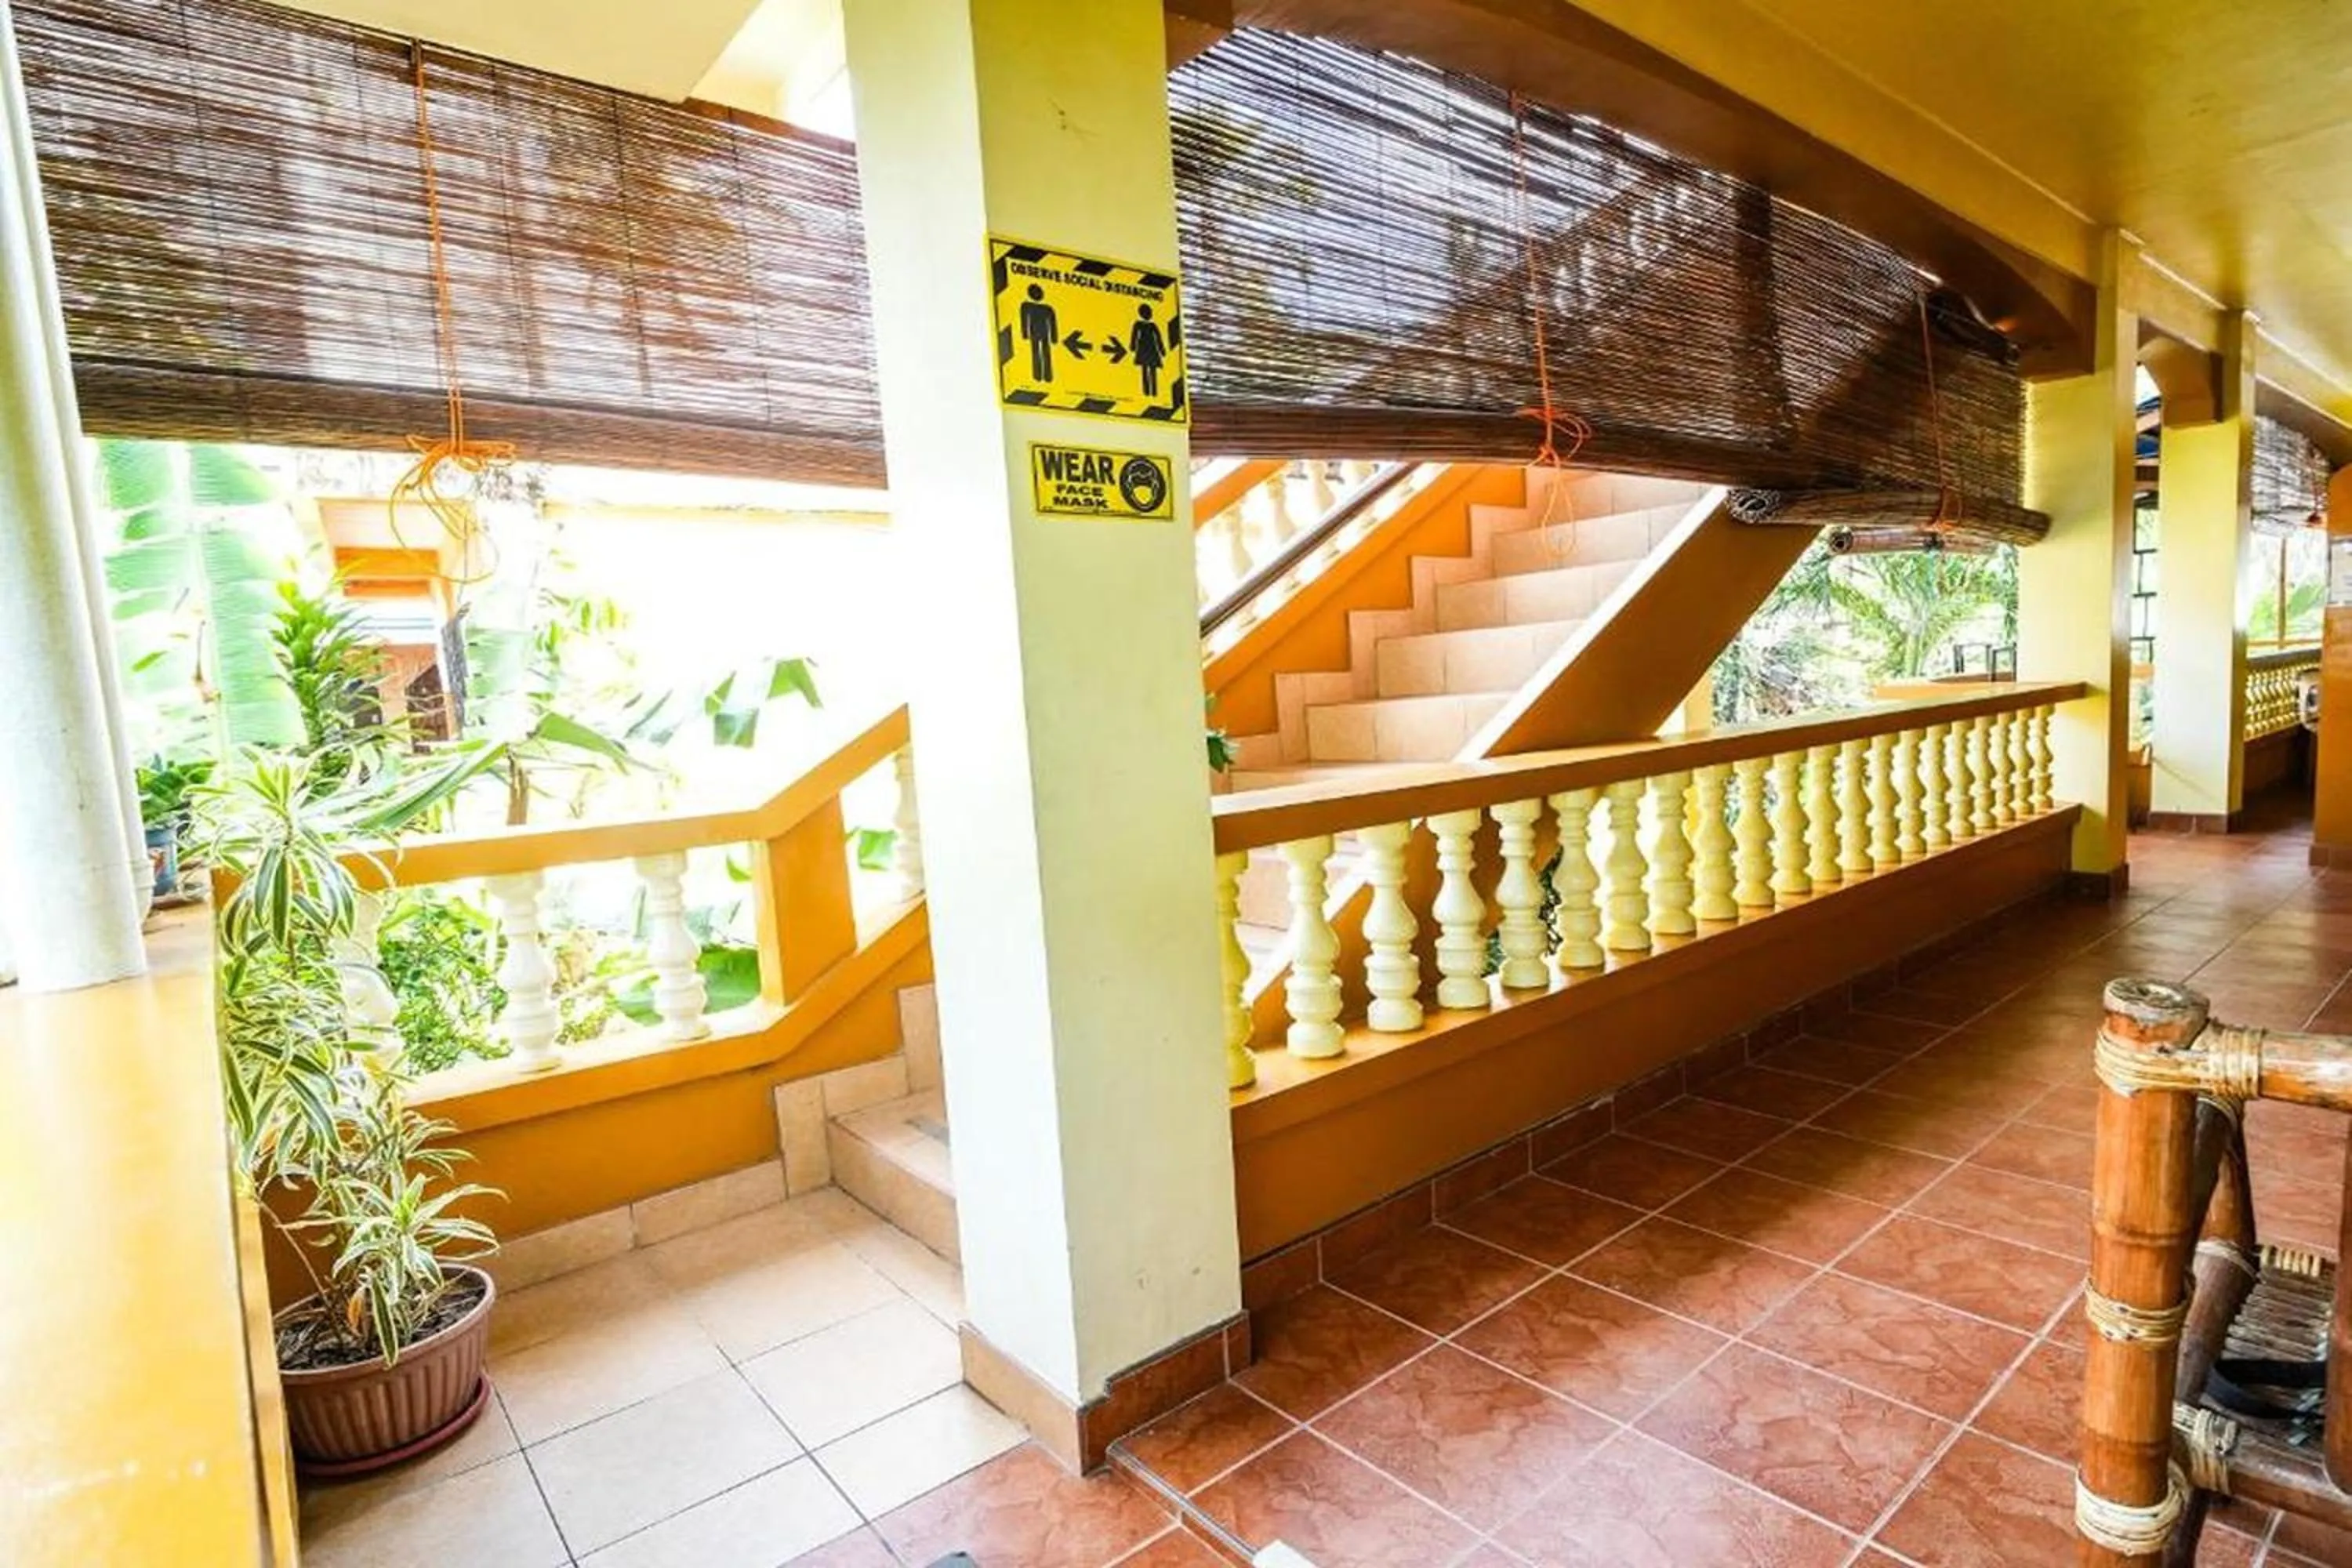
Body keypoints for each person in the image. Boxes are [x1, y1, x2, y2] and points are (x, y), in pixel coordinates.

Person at [1018, 283, 1058, 383]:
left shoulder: (1047, 308)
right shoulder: (1027, 306)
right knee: (1036, 354)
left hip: (1044, 334)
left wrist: (1054, 338)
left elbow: (1053, 323)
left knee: (1045, 354)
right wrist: (1025, 334)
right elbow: (1024, 320)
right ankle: (1038, 376)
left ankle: (1048, 376)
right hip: (1034, 333)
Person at [1129, 303, 1167, 397]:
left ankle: (1153, 392)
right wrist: (1133, 346)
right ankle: (1147, 392)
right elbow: (1134, 336)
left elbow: (1158, 338)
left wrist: (1162, 350)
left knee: (1151, 370)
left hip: (1149, 349)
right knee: (1145, 370)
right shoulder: (1139, 324)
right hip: (1146, 349)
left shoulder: (1152, 325)